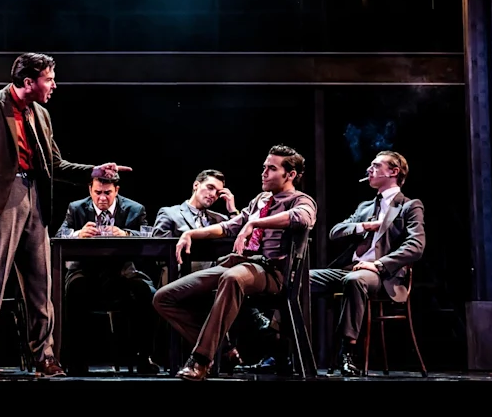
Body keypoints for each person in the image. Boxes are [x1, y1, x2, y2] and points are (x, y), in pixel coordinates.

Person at [0, 52, 132, 378]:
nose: (53, 85)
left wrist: (94, 170)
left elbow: (56, 165)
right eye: (49, 79)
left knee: (41, 284)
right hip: (1, 202)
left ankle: (45, 357)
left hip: (36, 198)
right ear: (28, 82)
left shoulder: (40, 114)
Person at [153, 145, 317, 381]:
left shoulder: (301, 200)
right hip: (240, 264)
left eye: (272, 169)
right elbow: (229, 226)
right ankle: (222, 350)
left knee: (232, 277)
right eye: (264, 168)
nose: (264, 173)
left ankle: (200, 360)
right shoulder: (260, 200)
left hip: (273, 272)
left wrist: (256, 223)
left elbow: (302, 218)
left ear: (290, 175)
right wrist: (190, 234)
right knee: (164, 297)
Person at [309, 150, 425, 376]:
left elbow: (415, 246)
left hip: (382, 274)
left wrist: (379, 265)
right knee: (299, 279)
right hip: (351, 268)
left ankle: (348, 352)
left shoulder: (409, 206)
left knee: (356, 280)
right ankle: (281, 345)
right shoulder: (365, 207)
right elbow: (335, 232)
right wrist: (364, 226)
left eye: (376, 166)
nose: (369, 170)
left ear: (393, 172)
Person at [153, 169, 275, 372]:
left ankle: (234, 347)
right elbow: (159, 250)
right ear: (196, 185)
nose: (212, 194)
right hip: (182, 274)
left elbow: (241, 241)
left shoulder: (220, 219)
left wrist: (233, 210)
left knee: (234, 283)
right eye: (210, 187)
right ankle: (224, 349)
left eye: (218, 192)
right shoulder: (170, 212)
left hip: (216, 278)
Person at [54, 175, 160, 375]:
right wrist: (77, 234)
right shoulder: (76, 208)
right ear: (90, 190)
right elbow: (59, 235)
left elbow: (150, 236)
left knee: (147, 292)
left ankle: (144, 357)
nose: (102, 198)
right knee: (75, 289)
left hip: (121, 272)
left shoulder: (134, 209)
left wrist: (126, 234)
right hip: (85, 270)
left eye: (107, 193)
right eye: (98, 193)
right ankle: (76, 360)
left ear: (116, 190)